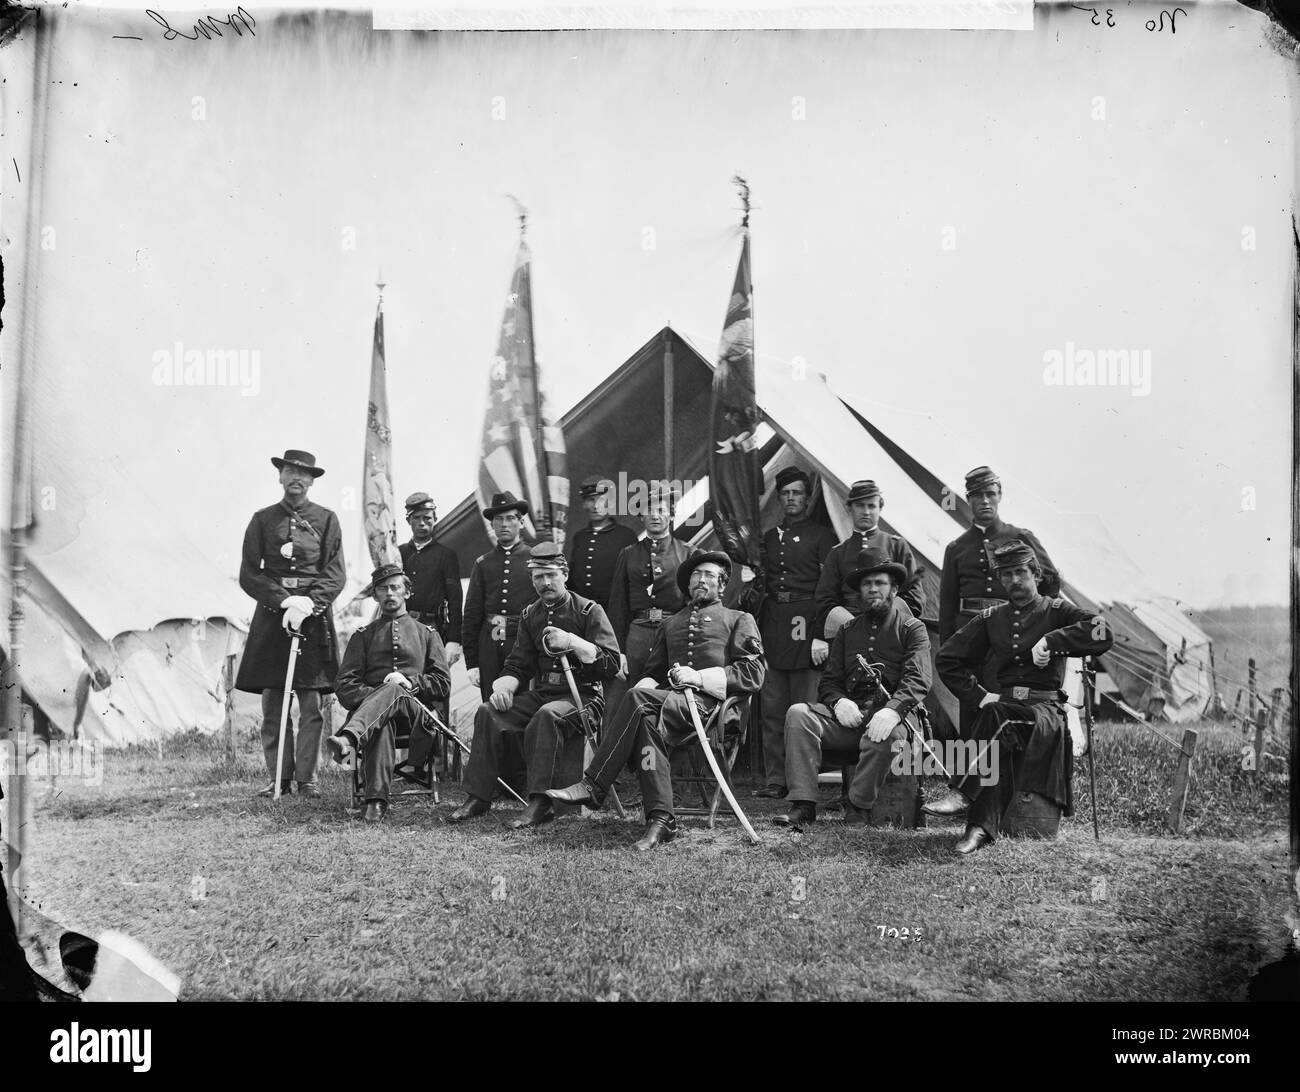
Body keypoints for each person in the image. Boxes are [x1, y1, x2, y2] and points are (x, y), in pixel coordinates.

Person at [545, 552, 766, 851]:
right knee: (644, 717)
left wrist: (699, 678)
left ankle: (594, 785)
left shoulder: (739, 619)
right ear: (687, 584)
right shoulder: (671, 623)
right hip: (672, 706)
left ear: (723, 585)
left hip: (714, 708)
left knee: (638, 700)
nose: (701, 580)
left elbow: (753, 672)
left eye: (710, 575)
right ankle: (662, 820)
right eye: (696, 575)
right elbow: (652, 675)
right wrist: (636, 706)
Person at [926, 541, 1112, 854]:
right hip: (1007, 707)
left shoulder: (1056, 611)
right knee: (996, 714)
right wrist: (979, 695)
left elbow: (1103, 632)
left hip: (1046, 711)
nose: (1014, 580)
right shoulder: (991, 618)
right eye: (1007, 574)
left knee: (1000, 717)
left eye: (1021, 572)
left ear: (1036, 574)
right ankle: (978, 830)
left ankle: (963, 795)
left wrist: (1052, 640)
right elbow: (947, 658)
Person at [448, 543, 621, 828]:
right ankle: (478, 796)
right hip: (543, 693)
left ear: (565, 574)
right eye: (538, 577)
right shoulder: (531, 615)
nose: (545, 583)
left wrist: (573, 642)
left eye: (551, 575)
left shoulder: (589, 611)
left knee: (547, 715)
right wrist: (504, 686)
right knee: (488, 712)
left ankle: (541, 802)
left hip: (583, 698)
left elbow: (612, 665)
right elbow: (518, 663)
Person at [776, 550, 931, 830]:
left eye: (880, 583)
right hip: (851, 719)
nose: (873, 589)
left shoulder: (912, 629)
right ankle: (804, 805)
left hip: (897, 722)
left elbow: (918, 680)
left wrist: (892, 711)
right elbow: (830, 682)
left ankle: (858, 806)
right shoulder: (848, 631)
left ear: (894, 589)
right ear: (859, 591)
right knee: (798, 714)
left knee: (885, 735)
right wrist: (838, 703)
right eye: (866, 584)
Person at [235, 449, 345, 799]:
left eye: (304, 473)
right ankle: (279, 778)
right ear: (280, 476)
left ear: (312, 481)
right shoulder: (262, 520)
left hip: (313, 621)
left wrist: (309, 603)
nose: (297, 477)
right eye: (290, 471)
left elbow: (336, 573)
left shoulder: (327, 520)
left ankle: (307, 780)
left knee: (312, 705)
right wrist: (284, 600)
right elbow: (249, 573)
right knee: (274, 703)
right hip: (272, 620)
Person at [937, 465, 1061, 738]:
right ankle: (971, 775)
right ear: (968, 499)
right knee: (972, 704)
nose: (984, 501)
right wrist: (950, 646)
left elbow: (1051, 583)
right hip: (969, 633)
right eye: (977, 495)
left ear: (1000, 495)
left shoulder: (1021, 537)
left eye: (990, 494)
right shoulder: (956, 548)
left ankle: (1006, 773)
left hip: (1008, 633)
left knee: (1007, 704)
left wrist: (1036, 625)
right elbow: (947, 606)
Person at [325, 565, 452, 822]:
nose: (389, 593)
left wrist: (408, 683)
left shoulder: (427, 634)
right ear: (374, 596)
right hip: (375, 721)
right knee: (381, 723)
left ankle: (349, 739)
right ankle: (375, 802)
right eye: (382, 589)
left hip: (417, 716)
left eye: (395, 587)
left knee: (393, 689)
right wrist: (378, 696)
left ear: (407, 592)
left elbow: (442, 683)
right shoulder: (363, 636)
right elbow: (345, 684)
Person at [752, 466, 837, 799]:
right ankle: (776, 780)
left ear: (807, 497)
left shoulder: (821, 536)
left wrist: (819, 632)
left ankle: (804, 779)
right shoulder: (769, 538)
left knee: (804, 706)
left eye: (797, 493)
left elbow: (828, 589)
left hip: (806, 620)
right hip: (774, 623)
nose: (791, 499)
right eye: (786, 493)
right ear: (779, 497)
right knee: (773, 707)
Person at [604, 485, 699, 723]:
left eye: (661, 509)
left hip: (672, 636)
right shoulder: (628, 554)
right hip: (636, 638)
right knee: (622, 703)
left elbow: (695, 605)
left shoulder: (688, 553)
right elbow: (618, 606)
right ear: (641, 516)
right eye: (649, 510)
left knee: (668, 702)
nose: (655, 515)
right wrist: (618, 652)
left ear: (671, 514)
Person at [814, 480, 925, 642]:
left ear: (880, 508)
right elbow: (824, 600)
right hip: (849, 633)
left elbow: (915, 595)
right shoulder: (838, 553)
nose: (866, 511)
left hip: (890, 632)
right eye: (860, 505)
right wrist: (853, 626)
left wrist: (885, 620)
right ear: (849, 508)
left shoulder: (897, 545)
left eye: (871, 506)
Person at [462, 491, 537, 702]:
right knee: (492, 702)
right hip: (493, 638)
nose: (504, 524)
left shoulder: (534, 559)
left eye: (510, 518)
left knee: (523, 703)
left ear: (521, 522)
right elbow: (472, 614)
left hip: (525, 640)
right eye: (498, 519)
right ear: (492, 525)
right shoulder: (483, 563)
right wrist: (472, 663)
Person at [398, 492, 464, 665]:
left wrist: (454, 640)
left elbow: (455, 600)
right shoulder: (398, 554)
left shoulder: (446, 555)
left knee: (432, 683)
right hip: (401, 628)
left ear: (434, 519)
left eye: (427, 518)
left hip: (432, 629)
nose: (422, 523)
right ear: (408, 521)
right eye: (416, 518)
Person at [565, 475, 638, 609]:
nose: (596, 506)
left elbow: (634, 581)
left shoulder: (626, 536)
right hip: (580, 612)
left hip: (614, 611)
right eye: (590, 500)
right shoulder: (580, 537)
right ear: (584, 504)